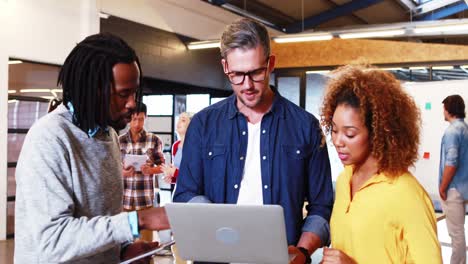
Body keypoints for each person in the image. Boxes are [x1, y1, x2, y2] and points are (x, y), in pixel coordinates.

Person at [173, 18, 333, 264]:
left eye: (256, 73)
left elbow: (322, 205)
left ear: (270, 64)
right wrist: (215, 218)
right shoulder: (203, 125)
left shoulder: (305, 126)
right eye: (237, 74)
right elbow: (185, 194)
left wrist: (302, 251)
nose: (247, 85)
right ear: (225, 66)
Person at [14, 33, 170, 264]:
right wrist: (138, 221)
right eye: (122, 94)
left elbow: (100, 220)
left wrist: (123, 250)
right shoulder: (50, 138)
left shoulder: (108, 136)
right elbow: (51, 241)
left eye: (134, 92)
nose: (131, 104)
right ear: (92, 89)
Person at [320, 65, 442, 263]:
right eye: (334, 130)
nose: (337, 141)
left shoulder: (407, 194)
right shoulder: (344, 180)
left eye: (350, 133)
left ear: (378, 134)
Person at [439, 94, 468, 264]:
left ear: (449, 109)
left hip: (454, 189)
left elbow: (451, 162)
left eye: (443, 108)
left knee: (456, 234)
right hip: (464, 187)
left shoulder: (452, 131)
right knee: (459, 232)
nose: (443, 112)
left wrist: (443, 187)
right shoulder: (465, 128)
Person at [120, 102, 165, 211]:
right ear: (128, 119)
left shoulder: (154, 140)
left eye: (141, 119)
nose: (137, 124)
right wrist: (122, 173)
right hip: (124, 200)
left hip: (145, 199)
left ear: (146, 117)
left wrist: (151, 170)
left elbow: (163, 167)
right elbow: (112, 168)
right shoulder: (119, 141)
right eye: (134, 119)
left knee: (146, 229)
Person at [162, 112, 194, 184]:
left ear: (192, 125)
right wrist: (171, 178)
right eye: (178, 119)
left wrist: (174, 172)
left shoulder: (195, 146)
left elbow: (195, 176)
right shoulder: (176, 145)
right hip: (179, 191)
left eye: (183, 120)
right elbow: (179, 176)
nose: (178, 122)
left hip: (194, 192)